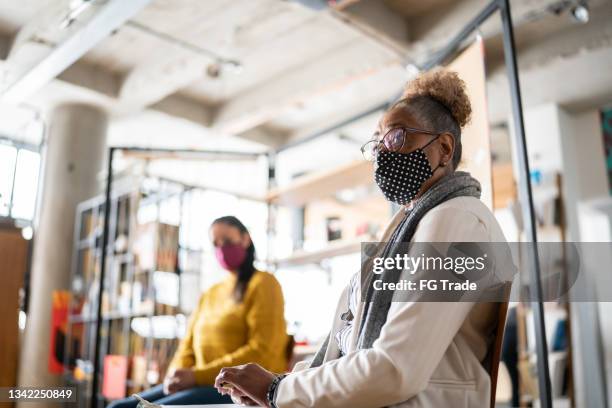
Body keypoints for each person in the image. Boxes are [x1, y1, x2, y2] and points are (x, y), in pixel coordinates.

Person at [214, 69, 513, 407]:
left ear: (444, 148)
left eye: (396, 138)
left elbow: (396, 368)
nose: (382, 153)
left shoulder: (456, 220)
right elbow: (347, 346)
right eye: (376, 143)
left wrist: (276, 391)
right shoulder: (409, 227)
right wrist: (280, 386)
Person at [108, 216, 288, 407]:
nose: (221, 249)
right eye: (215, 244)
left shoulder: (264, 284)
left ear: (245, 239)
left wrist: (197, 376)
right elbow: (188, 345)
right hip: (200, 381)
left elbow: (262, 352)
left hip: (235, 388)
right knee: (117, 406)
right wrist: (175, 373)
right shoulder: (211, 293)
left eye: (226, 241)